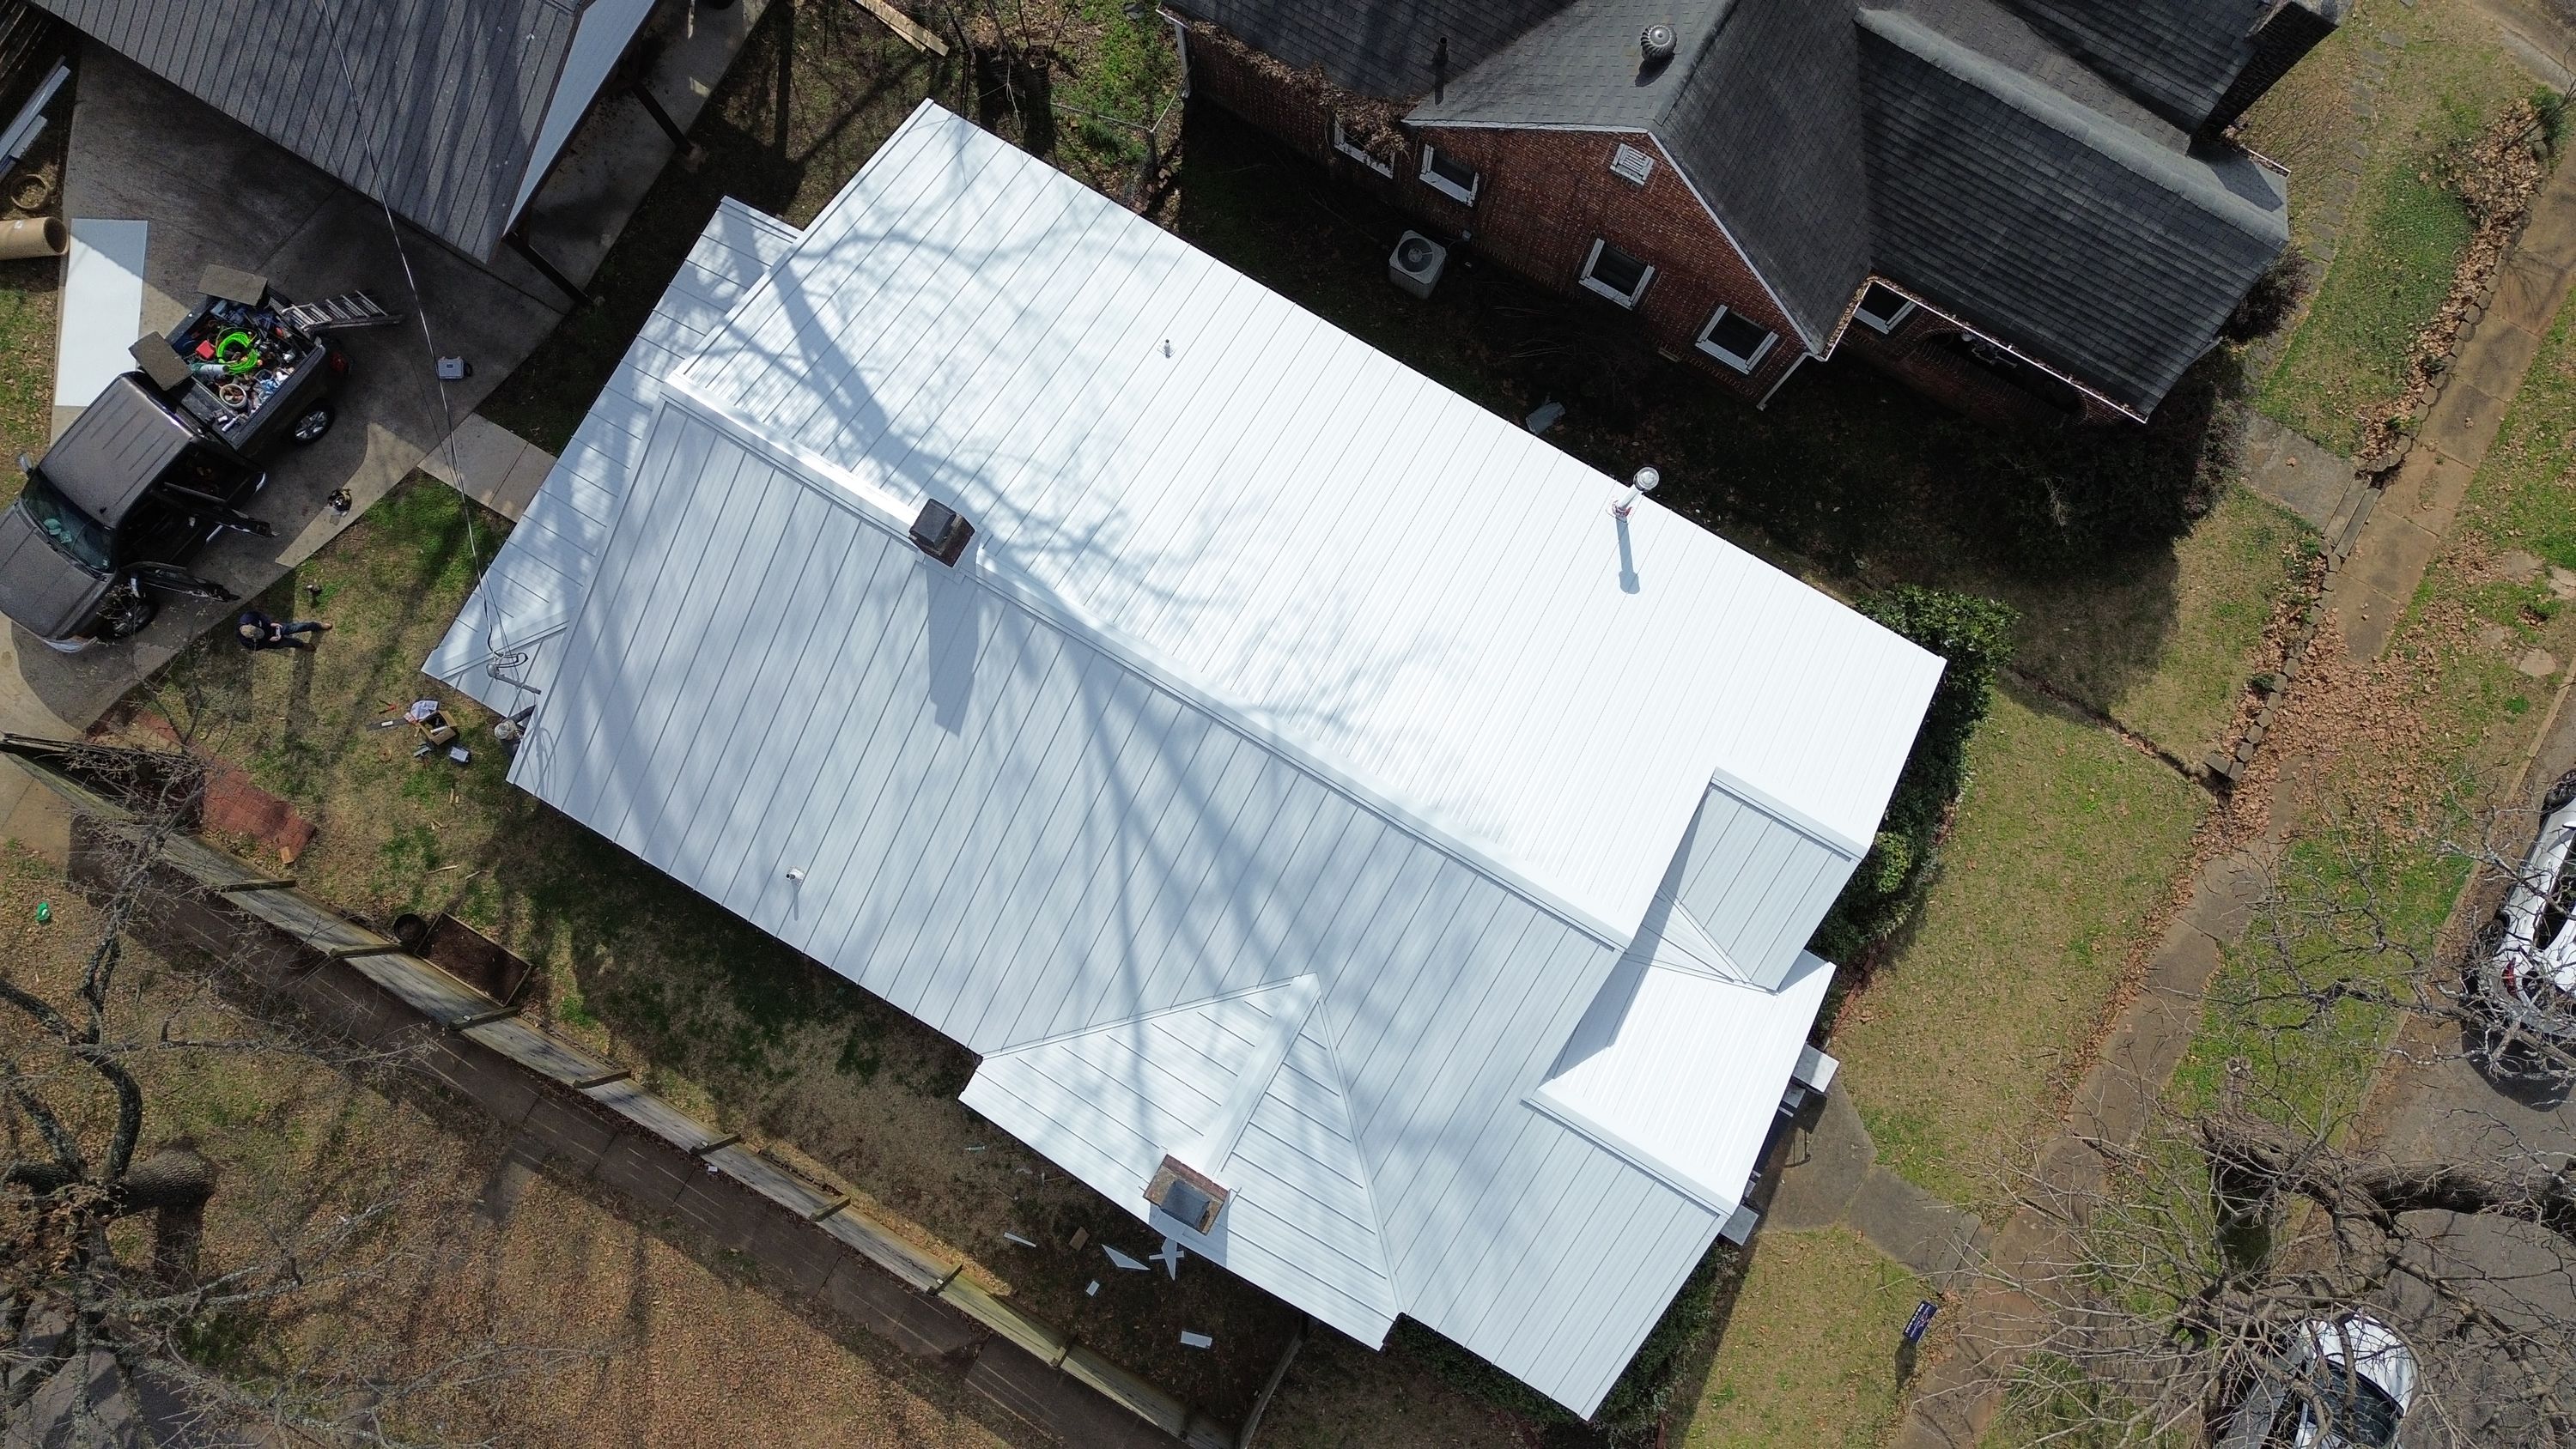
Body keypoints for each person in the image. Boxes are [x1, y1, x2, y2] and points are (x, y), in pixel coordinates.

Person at [236, 609, 329, 651]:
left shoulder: (248, 617)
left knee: (297, 627)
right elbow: (256, 648)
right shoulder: (244, 641)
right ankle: (302, 645)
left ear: (250, 624)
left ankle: (316, 625)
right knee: (289, 643)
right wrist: (267, 641)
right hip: (272, 642)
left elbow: (258, 614)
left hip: (275, 627)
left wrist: (270, 623)